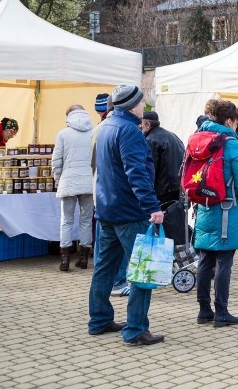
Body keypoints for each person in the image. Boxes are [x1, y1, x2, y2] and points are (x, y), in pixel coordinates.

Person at [88, 84, 165, 345]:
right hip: (130, 212)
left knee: (104, 267)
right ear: (133, 105)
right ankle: (135, 329)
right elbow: (136, 173)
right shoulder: (130, 131)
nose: (145, 106)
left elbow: (98, 169)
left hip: (106, 209)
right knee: (142, 271)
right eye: (142, 102)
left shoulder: (105, 127)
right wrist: (152, 207)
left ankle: (98, 320)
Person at [194, 100, 238, 327]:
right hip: (227, 209)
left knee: (205, 260)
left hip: (203, 206)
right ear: (229, 120)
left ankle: (203, 310)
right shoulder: (231, 143)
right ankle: (221, 312)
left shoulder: (199, 138)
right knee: (224, 261)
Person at [91, 96, 130, 297]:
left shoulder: (100, 129)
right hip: (119, 200)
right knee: (121, 246)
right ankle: (118, 280)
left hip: (102, 196)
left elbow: (92, 164)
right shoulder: (125, 130)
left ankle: (99, 314)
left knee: (104, 253)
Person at [51, 105, 94, 271]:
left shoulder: (63, 134)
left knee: (66, 220)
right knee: (86, 220)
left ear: (68, 116)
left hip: (68, 181)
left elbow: (56, 161)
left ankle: (65, 260)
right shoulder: (94, 132)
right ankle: (83, 258)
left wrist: (58, 179)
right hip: (88, 183)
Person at [141, 111, 185, 207]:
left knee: (162, 220)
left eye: (141, 124)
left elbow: (150, 168)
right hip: (178, 188)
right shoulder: (173, 135)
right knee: (174, 219)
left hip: (162, 191)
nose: (140, 127)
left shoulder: (150, 140)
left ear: (148, 125)